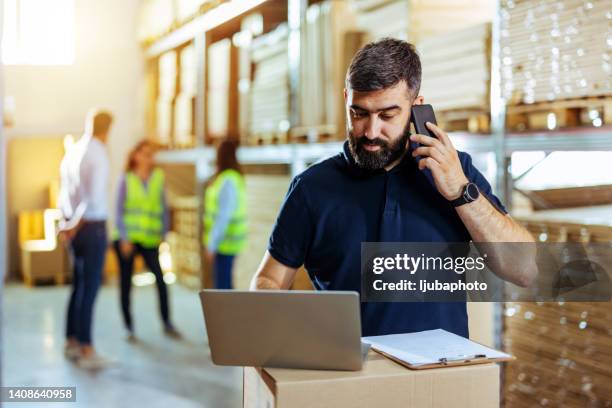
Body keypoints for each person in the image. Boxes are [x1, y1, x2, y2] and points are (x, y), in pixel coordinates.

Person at [250, 38, 537, 337]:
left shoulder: (456, 171)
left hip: (439, 375)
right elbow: (269, 279)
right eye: (359, 113)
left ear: (417, 108)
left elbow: (524, 269)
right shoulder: (312, 188)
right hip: (350, 376)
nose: (371, 131)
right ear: (346, 98)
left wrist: (459, 191)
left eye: (387, 115)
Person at [58, 108, 113, 369]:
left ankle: (71, 341)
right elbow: (92, 200)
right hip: (90, 228)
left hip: (74, 228)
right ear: (108, 129)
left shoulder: (73, 151)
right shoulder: (98, 154)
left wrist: (66, 225)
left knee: (77, 286)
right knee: (89, 288)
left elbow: (64, 195)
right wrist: (75, 225)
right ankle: (87, 347)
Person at [112, 140, 180, 340]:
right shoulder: (126, 179)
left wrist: (164, 235)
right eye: (143, 153)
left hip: (151, 240)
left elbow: (164, 209)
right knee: (126, 283)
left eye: (150, 154)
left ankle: (167, 322)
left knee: (161, 280)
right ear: (135, 156)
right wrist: (124, 238)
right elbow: (118, 211)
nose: (147, 157)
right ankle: (128, 326)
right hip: (128, 240)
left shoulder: (158, 177)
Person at [203, 140, 247, 289]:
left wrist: (211, 244)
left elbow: (223, 216)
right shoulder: (232, 177)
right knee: (226, 287)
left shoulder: (227, 180)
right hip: (229, 242)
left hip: (224, 243)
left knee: (223, 289)